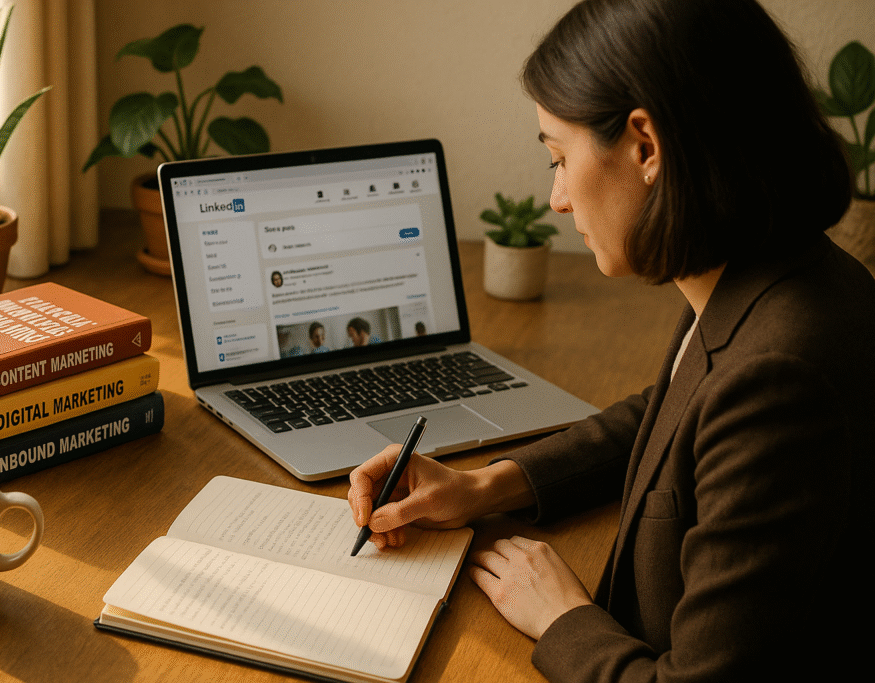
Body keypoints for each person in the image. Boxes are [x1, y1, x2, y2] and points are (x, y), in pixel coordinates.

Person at [347, 0, 875, 680]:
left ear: (646, 147)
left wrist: (562, 615)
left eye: (559, 158)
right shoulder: (772, 273)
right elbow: (677, 415)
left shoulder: (781, 375)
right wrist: (486, 486)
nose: (557, 198)